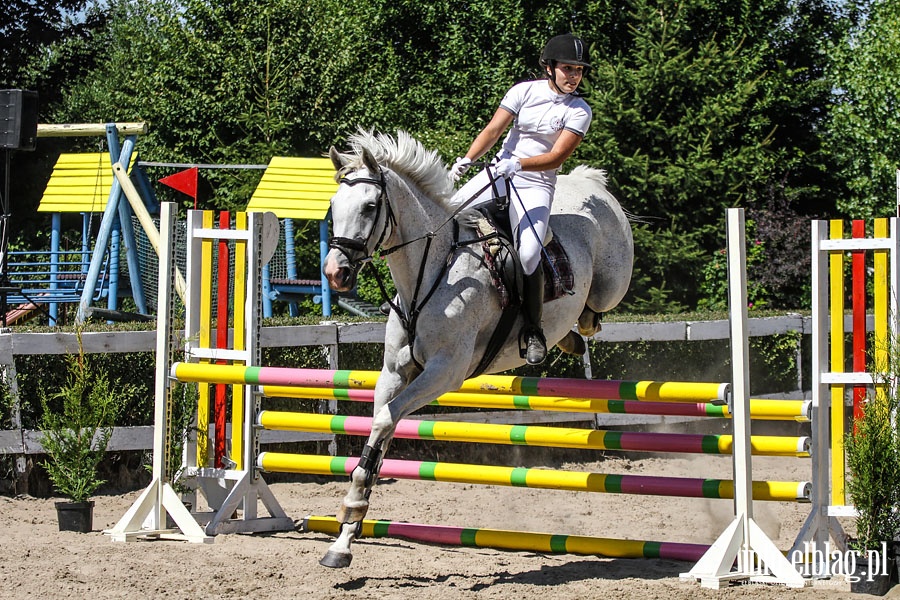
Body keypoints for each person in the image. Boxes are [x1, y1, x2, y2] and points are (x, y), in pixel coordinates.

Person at [448, 33, 593, 365]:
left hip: (535, 185)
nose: (573, 76)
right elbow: (493, 131)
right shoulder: (523, 91)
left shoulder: (579, 110)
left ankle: (533, 331)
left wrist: (520, 163)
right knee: (445, 216)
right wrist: (468, 160)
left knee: (528, 254)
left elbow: (556, 158)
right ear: (550, 66)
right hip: (498, 173)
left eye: (578, 71)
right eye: (567, 68)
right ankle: (407, 296)